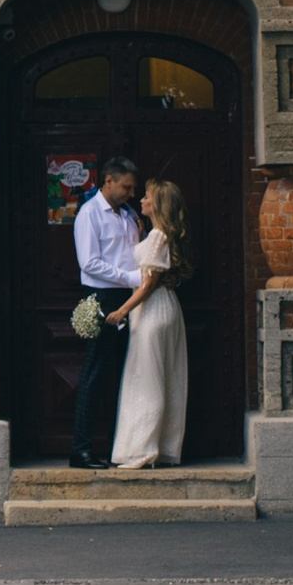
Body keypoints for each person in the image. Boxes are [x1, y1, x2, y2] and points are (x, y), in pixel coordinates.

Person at [108, 180, 192, 469]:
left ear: (158, 204)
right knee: (161, 377)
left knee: (146, 381)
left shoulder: (158, 237)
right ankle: (158, 446)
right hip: (163, 307)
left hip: (153, 310)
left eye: (147, 196)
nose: (141, 199)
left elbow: (147, 284)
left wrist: (122, 310)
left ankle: (143, 451)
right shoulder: (157, 235)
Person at [68, 155, 141, 468]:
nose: (131, 193)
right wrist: (131, 278)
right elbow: (89, 263)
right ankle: (81, 449)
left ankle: (118, 447)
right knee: (95, 373)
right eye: (126, 187)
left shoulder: (128, 214)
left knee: (125, 373)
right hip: (103, 299)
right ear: (108, 181)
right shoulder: (89, 214)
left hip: (131, 299)